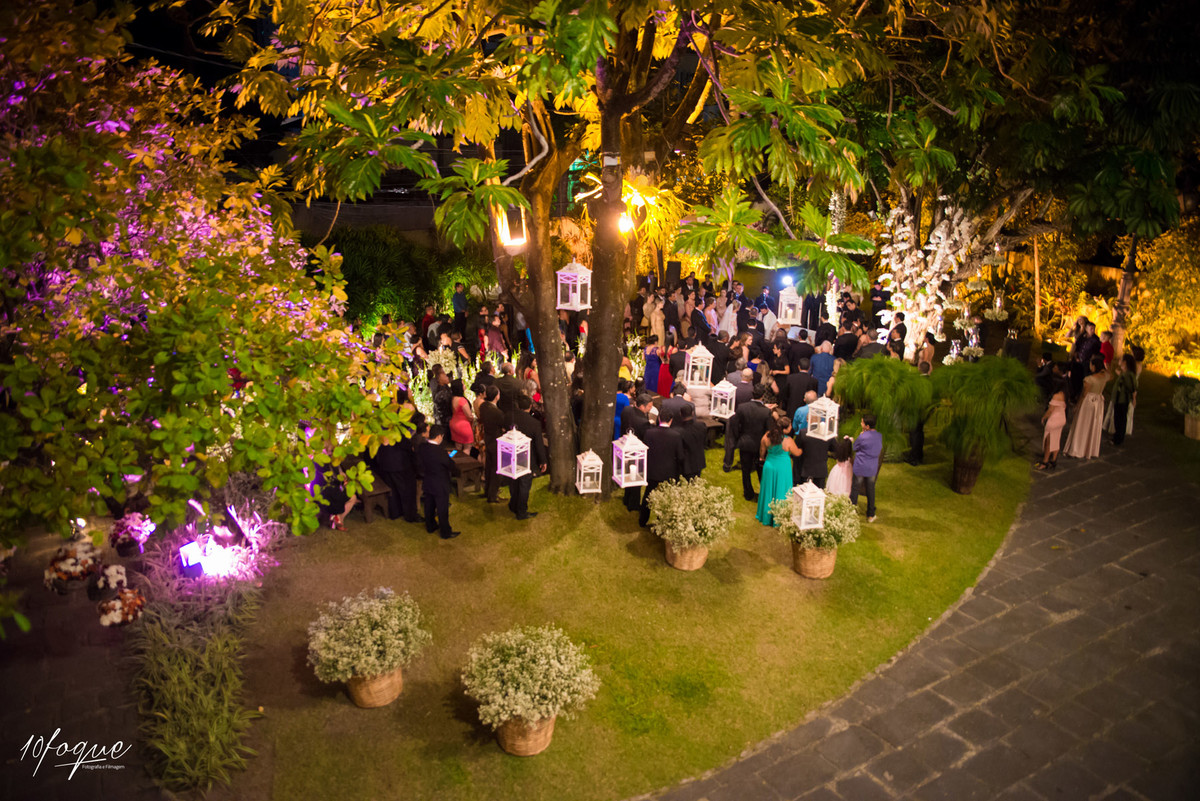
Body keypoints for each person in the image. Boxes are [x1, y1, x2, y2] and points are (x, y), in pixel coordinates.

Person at [639, 407, 686, 527]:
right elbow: (680, 456)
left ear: (659, 418)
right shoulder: (676, 435)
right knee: (667, 498)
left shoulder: (649, 433)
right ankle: (663, 522)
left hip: (652, 470)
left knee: (648, 495)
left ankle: (642, 520)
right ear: (671, 420)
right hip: (669, 472)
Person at [727, 383, 772, 500]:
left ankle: (748, 493)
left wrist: (739, 437)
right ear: (762, 396)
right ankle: (764, 493)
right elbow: (769, 431)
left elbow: (735, 425)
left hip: (745, 442)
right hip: (759, 445)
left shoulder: (742, 407)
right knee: (761, 470)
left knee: (745, 470)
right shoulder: (766, 412)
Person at [756, 412, 802, 526]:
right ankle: (779, 517)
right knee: (782, 491)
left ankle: (766, 516)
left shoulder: (767, 436)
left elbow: (762, 452)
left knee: (768, 490)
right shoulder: (788, 440)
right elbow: (797, 453)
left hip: (769, 466)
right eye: (790, 426)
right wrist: (803, 449)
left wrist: (763, 458)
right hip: (782, 468)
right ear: (786, 429)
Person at [417, 425, 460, 539]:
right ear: (439, 436)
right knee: (442, 509)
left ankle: (430, 526)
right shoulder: (440, 453)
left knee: (429, 505)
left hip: (428, 481)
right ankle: (445, 532)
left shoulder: (422, 447)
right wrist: (449, 457)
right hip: (440, 484)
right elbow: (451, 466)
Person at [509, 395, 547, 520]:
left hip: (512, 454)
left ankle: (513, 505)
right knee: (524, 484)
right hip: (527, 457)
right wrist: (543, 461)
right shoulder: (534, 423)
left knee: (514, 481)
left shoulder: (510, 417)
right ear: (530, 406)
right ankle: (521, 511)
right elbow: (539, 444)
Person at [1063, 355, 1108, 459]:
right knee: (1092, 425)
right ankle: (1089, 449)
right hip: (1098, 402)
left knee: (1082, 424)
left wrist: (1077, 406)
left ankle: (1077, 449)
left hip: (1088, 402)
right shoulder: (1105, 376)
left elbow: (1084, 394)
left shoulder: (1089, 379)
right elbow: (1111, 375)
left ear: (1094, 366)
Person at [849, 413, 883, 523]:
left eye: (862, 422)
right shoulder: (879, 436)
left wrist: (860, 436)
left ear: (867, 426)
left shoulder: (863, 437)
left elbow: (854, 447)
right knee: (871, 490)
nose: (861, 423)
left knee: (855, 489)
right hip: (872, 467)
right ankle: (870, 515)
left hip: (860, 467)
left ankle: (851, 512)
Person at [477, 385, 507, 503]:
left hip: (488, 439)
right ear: (496, 396)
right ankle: (492, 495)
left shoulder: (483, 406)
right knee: (497, 469)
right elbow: (503, 425)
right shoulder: (497, 413)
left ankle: (487, 491)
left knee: (489, 467)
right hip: (496, 441)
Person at [1109, 353, 1138, 446]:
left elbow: (1132, 387)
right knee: (1118, 418)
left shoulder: (1129, 375)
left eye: (1121, 360)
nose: (1119, 361)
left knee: (1120, 419)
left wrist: (1133, 399)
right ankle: (1117, 436)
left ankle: (1118, 438)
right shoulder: (1125, 374)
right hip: (1118, 399)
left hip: (1123, 400)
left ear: (1125, 362)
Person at [674, 404, 708, 481]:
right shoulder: (702, 426)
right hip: (699, 461)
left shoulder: (678, 431)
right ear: (693, 413)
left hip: (686, 465)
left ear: (680, 414)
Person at [1038, 385, 1067, 470]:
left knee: (1048, 442)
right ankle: (1053, 460)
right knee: (1056, 439)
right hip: (1061, 419)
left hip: (1054, 421)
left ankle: (1045, 462)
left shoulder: (1056, 396)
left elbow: (1050, 410)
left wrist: (1044, 417)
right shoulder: (1065, 394)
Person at [448, 379, 476, 455]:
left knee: (457, 447)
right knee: (467, 448)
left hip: (454, 423)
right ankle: (464, 464)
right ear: (459, 387)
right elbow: (469, 415)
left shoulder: (453, 398)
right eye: (463, 384)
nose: (465, 385)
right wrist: (473, 419)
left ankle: (451, 458)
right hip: (463, 426)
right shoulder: (462, 400)